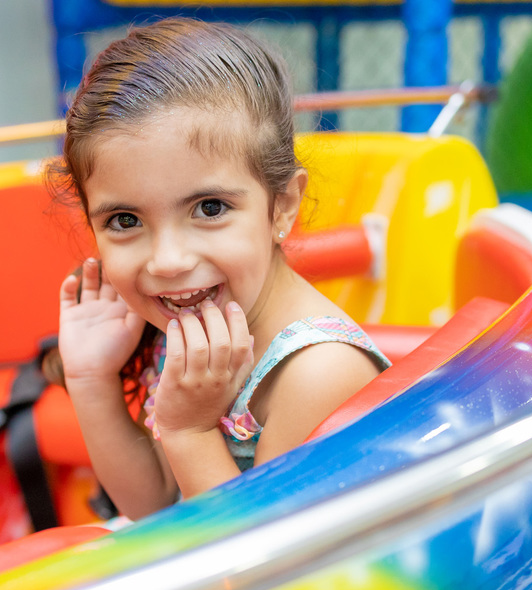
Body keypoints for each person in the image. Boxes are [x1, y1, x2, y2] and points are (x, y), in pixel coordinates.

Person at [52, 18, 390, 521]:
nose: (168, 261)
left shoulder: (318, 373)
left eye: (209, 208)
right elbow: (154, 506)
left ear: (281, 206)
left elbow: (268, 573)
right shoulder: (195, 323)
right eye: (125, 220)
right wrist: (90, 377)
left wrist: (190, 432)